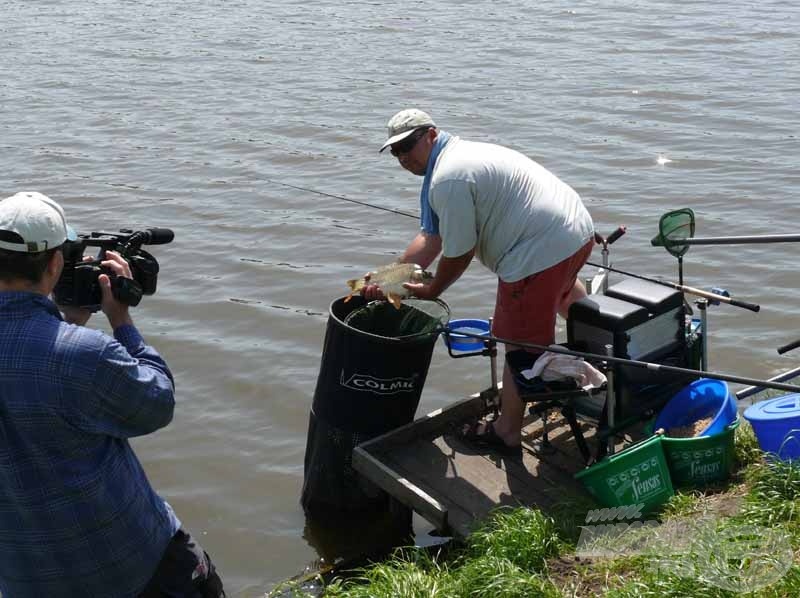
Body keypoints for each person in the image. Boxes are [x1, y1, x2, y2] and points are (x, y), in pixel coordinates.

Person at [0, 191, 224, 597]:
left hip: (26, 579)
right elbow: (156, 404)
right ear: (54, 264)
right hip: (128, 563)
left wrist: (70, 321)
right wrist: (121, 322)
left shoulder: (73, 353)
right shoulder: (84, 355)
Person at [373, 109, 595, 457]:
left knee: (516, 337)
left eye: (408, 145)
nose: (403, 157)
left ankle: (506, 431)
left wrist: (433, 290)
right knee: (563, 295)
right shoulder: (453, 161)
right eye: (396, 151)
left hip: (538, 250)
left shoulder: (448, 179)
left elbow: (459, 251)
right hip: (576, 232)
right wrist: (388, 278)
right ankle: (605, 352)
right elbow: (431, 239)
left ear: (431, 134)